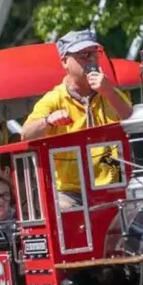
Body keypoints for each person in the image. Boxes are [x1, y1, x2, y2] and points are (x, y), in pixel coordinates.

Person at [20, 29, 133, 209]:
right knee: (62, 211)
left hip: (113, 187)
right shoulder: (54, 99)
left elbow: (133, 122)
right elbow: (25, 134)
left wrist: (109, 92)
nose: (91, 61)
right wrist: (48, 120)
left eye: (95, 55)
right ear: (65, 62)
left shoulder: (110, 92)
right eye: (83, 55)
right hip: (72, 192)